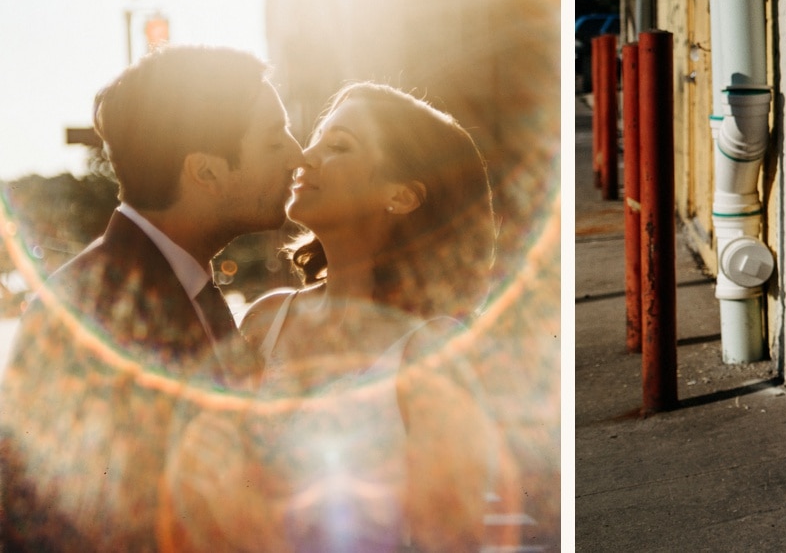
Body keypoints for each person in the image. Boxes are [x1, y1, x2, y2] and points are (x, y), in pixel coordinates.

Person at [170, 83, 506, 551]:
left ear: (402, 195)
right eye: (315, 139)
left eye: (338, 146)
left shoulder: (432, 351)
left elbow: (451, 538)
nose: (304, 158)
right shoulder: (266, 321)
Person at [0, 46, 306, 550]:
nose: (297, 155)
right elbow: (42, 522)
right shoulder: (90, 310)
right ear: (205, 172)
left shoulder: (186, 286)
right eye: (276, 140)